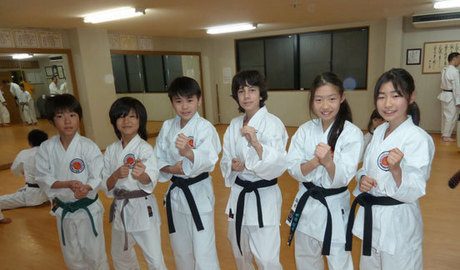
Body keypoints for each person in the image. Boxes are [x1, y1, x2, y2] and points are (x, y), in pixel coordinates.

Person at [345, 68, 435, 270]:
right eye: (382, 96)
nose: (388, 104)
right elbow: (366, 168)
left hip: (398, 223)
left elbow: (416, 187)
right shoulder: (379, 132)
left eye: (396, 96)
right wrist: (362, 179)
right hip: (373, 217)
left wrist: (397, 171)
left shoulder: (417, 138)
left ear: (411, 97)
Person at [285, 72, 363, 270]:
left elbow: (344, 176)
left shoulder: (351, 133)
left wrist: (328, 162)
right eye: (319, 100)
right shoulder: (304, 130)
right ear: (312, 101)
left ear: (342, 98)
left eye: (331, 99)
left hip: (334, 206)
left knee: (339, 261)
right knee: (305, 259)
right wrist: (315, 162)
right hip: (306, 202)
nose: (325, 106)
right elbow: (293, 168)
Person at [220, 70, 288, 270]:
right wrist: (232, 165)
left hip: (263, 197)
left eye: (252, 90)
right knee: (240, 254)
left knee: (267, 259)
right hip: (239, 194)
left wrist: (257, 144)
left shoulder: (273, 124)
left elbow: (278, 164)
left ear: (261, 94)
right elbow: (225, 158)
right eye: (241, 91)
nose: (246, 96)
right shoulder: (233, 125)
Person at [35, 94, 109, 270]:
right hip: (63, 210)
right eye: (60, 116)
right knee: (72, 255)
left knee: (95, 254)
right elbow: (42, 176)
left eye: (72, 115)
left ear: (79, 118)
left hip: (87, 208)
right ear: (52, 121)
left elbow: (98, 174)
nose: (67, 121)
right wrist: (66, 184)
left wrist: (87, 187)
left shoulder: (88, 146)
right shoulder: (46, 148)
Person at [154, 76, 221, 270]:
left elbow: (209, 160)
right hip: (175, 194)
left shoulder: (205, 128)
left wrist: (188, 153)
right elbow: (157, 159)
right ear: (172, 103)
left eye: (190, 100)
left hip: (198, 194)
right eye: (178, 101)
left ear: (199, 100)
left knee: (203, 251)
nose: (184, 106)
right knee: (181, 250)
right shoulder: (167, 126)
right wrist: (172, 169)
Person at [102, 97, 167, 270]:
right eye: (121, 116)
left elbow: (150, 179)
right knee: (120, 255)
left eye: (132, 116)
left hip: (142, 209)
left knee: (154, 258)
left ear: (140, 120)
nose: (126, 121)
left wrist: (142, 176)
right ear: (114, 122)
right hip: (120, 209)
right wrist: (116, 175)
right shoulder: (110, 150)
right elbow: (106, 184)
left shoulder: (145, 148)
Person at [0, 129, 49, 223]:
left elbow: (14, 170)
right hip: (52, 192)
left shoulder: (24, 153)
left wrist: (24, 171)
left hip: (33, 194)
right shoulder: (53, 153)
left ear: (30, 142)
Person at [438, 52, 460, 142]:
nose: (459, 61)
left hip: (444, 95)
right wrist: (458, 101)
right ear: (454, 59)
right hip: (451, 96)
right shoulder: (454, 71)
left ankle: (444, 134)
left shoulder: (444, 69)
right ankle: (446, 136)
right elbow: (457, 87)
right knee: (451, 116)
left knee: (445, 116)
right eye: (459, 59)